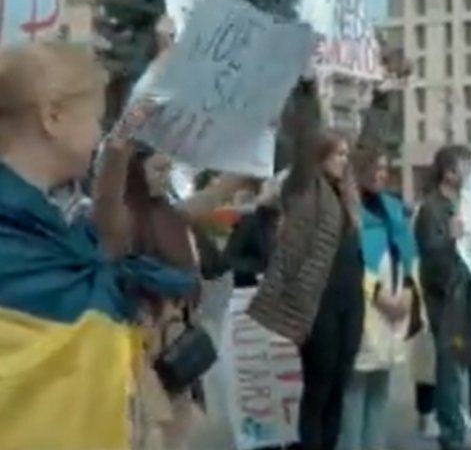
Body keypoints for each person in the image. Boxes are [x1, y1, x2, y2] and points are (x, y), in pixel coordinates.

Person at [0, 41, 192, 449]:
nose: (100, 134)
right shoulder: (22, 235)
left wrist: (147, 97)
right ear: (53, 116)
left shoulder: (64, 226)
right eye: (96, 119)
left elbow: (108, 225)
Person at [93, 145, 246, 450]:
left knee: (178, 430)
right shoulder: (121, 224)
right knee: (150, 433)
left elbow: (218, 193)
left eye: (167, 170)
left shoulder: (172, 214)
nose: (164, 178)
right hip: (141, 346)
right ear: (136, 174)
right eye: (158, 170)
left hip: (177, 343)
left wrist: (251, 144)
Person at [249, 80, 364, 450]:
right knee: (319, 384)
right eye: (338, 154)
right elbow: (300, 138)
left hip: (349, 298)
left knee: (338, 387)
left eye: (346, 154)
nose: (344, 160)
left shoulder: (345, 197)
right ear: (320, 156)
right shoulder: (304, 188)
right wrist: (305, 91)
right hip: (320, 303)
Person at [339, 148, 419, 450]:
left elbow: (409, 253)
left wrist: (409, 293)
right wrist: (379, 296)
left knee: (379, 389)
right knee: (355, 391)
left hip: (395, 307)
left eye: (384, 168)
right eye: (373, 168)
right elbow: (349, 261)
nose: (380, 174)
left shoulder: (393, 208)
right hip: (363, 307)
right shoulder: (348, 210)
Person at [416, 144, 471, 450]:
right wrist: (451, 240)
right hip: (446, 301)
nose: (470, 171)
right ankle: (452, 434)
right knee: (450, 371)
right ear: (449, 172)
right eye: (465, 166)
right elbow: (430, 256)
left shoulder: (468, 203)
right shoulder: (432, 208)